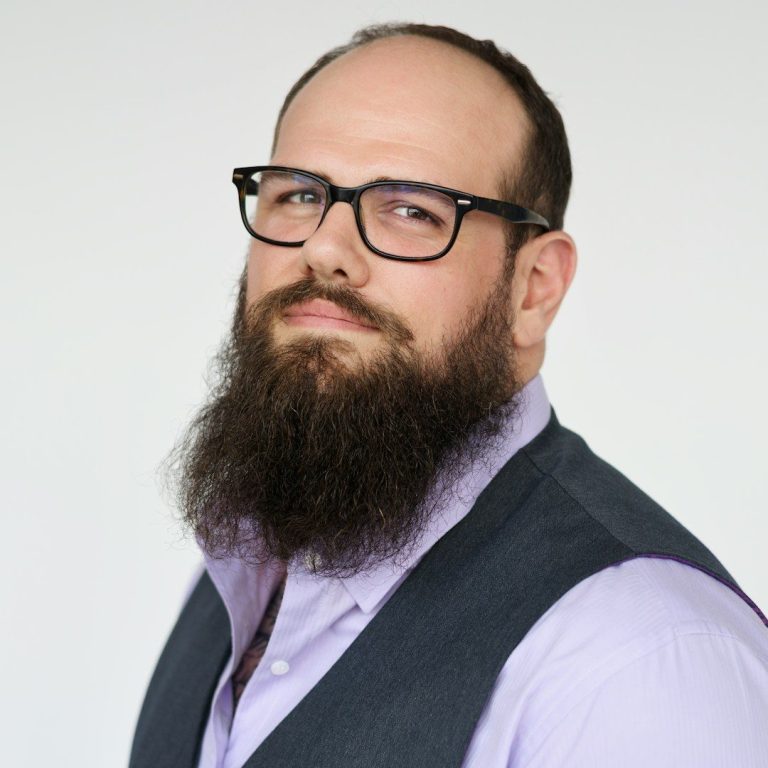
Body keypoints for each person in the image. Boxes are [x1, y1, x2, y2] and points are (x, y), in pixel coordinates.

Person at [130, 22, 768, 768]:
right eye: (299, 194)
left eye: (412, 210)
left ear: (533, 289)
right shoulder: (247, 566)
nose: (324, 249)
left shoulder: (642, 664)